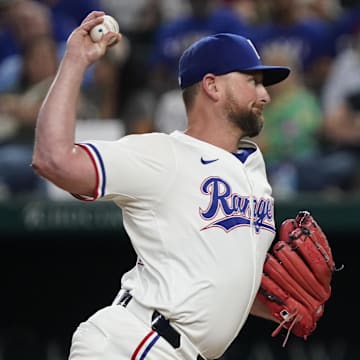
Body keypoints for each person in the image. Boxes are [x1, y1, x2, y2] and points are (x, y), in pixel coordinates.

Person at [32, 11, 291, 360]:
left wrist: (280, 304)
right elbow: (53, 159)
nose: (265, 95)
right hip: (133, 342)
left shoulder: (256, 172)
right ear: (212, 86)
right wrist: (76, 61)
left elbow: (214, 284)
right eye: (252, 81)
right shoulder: (163, 156)